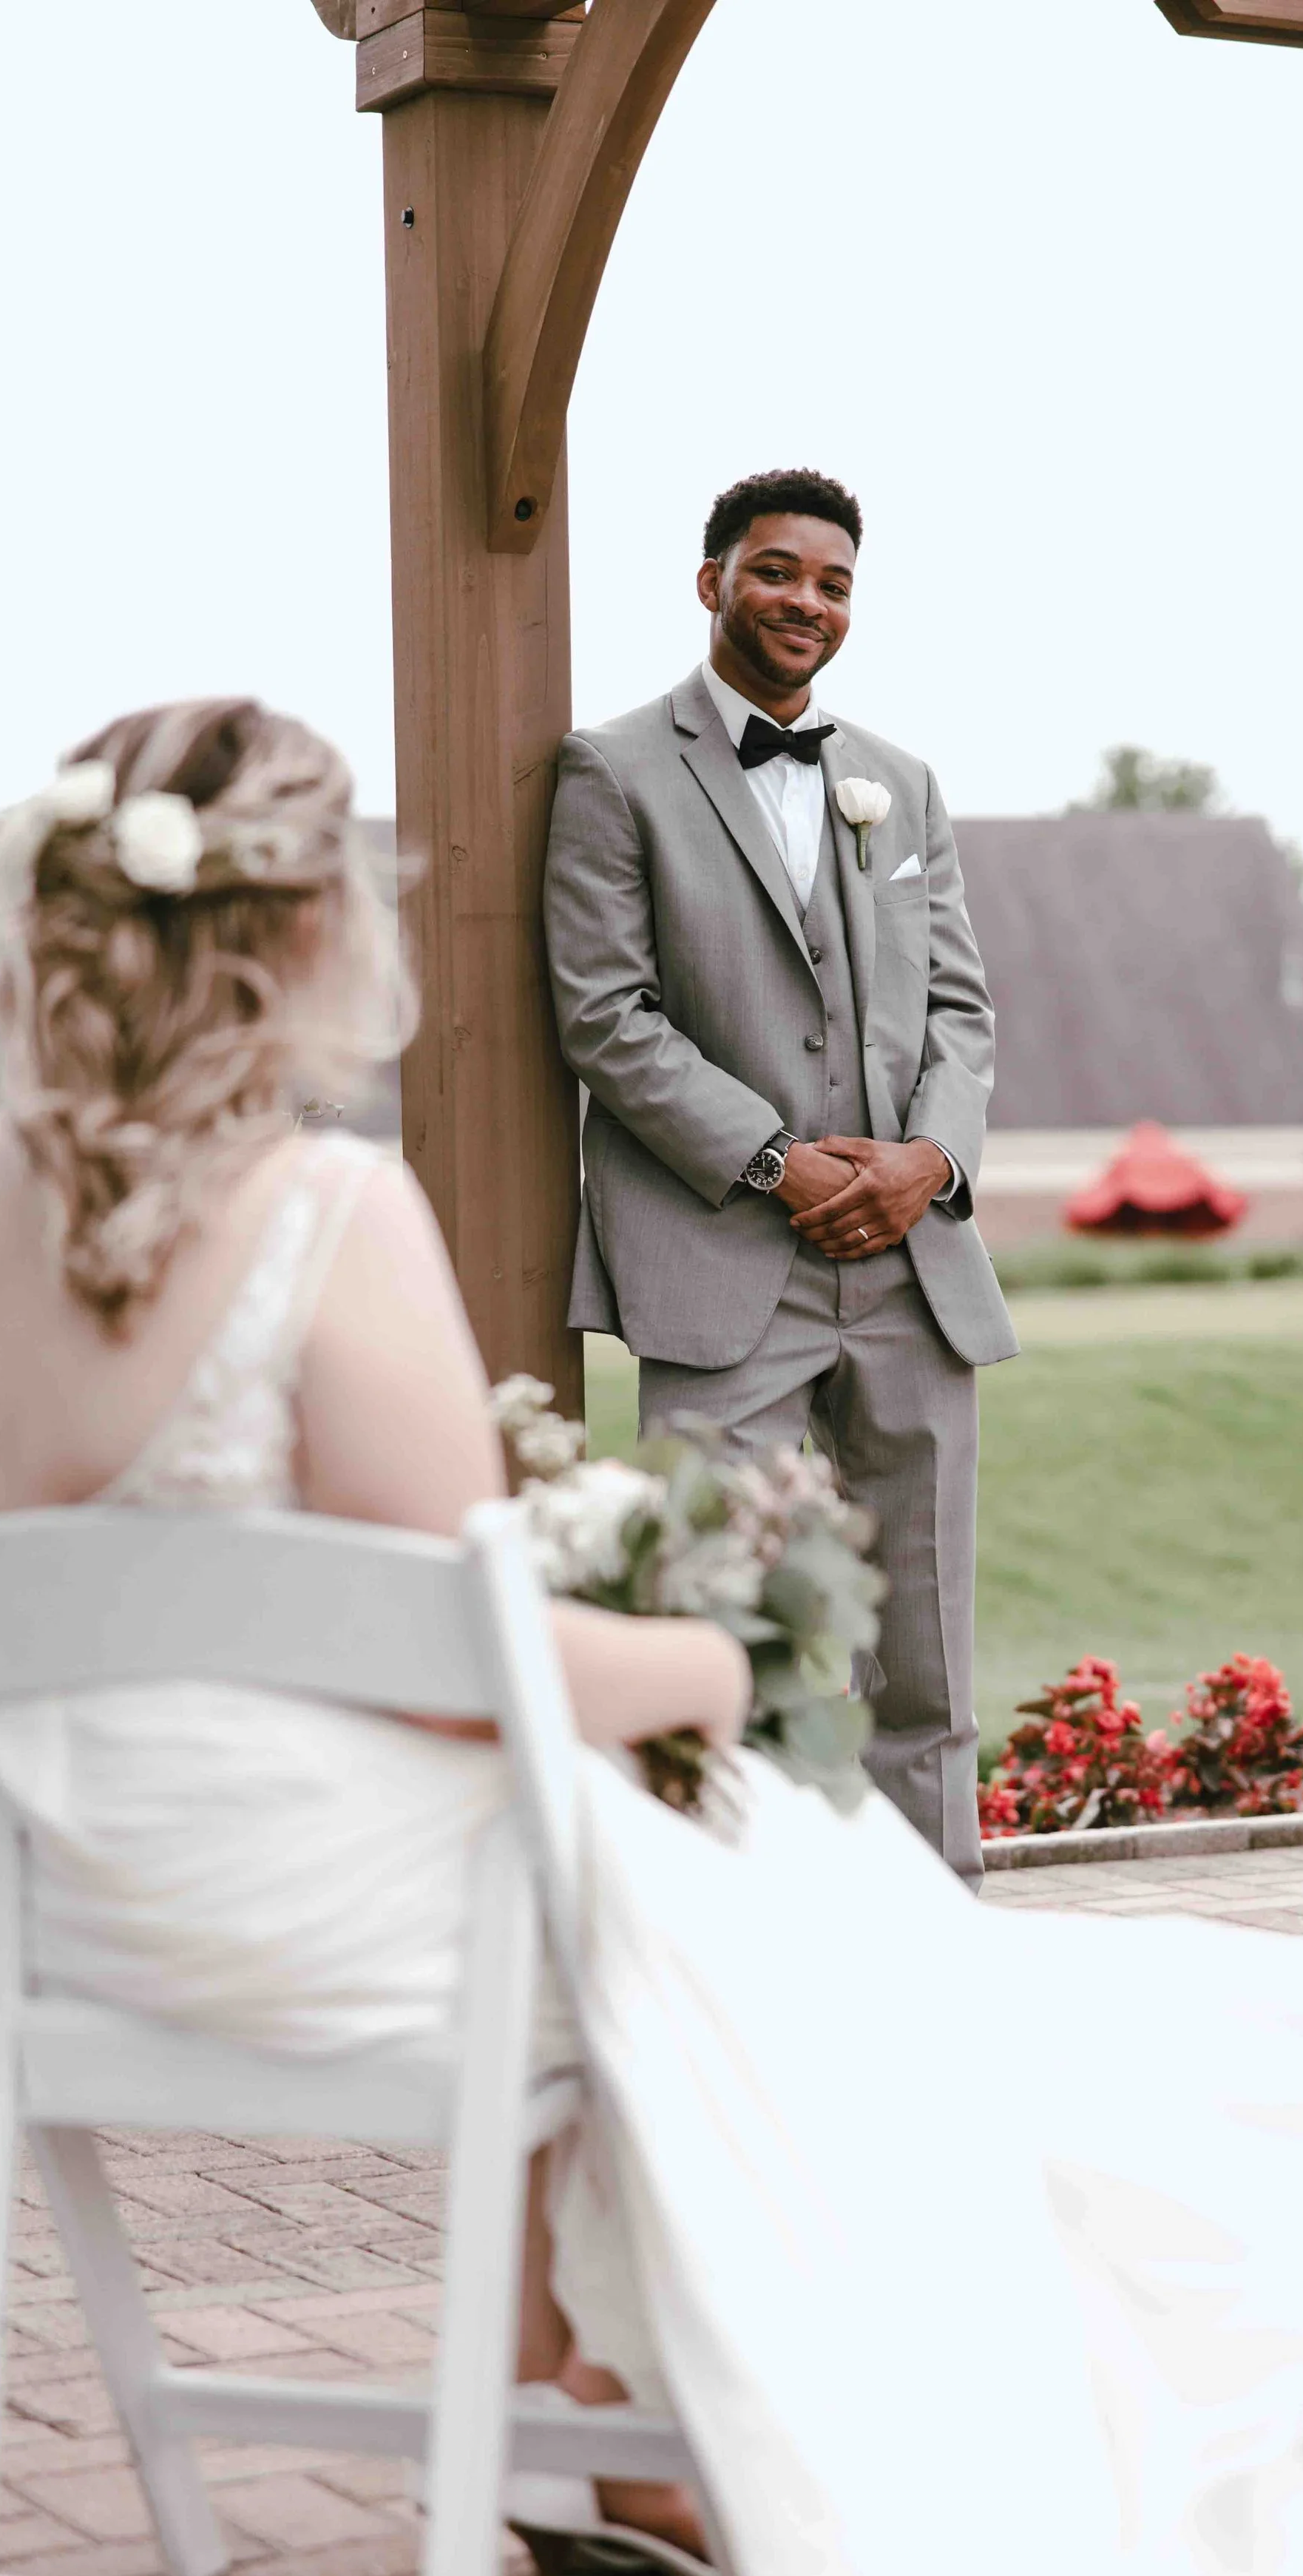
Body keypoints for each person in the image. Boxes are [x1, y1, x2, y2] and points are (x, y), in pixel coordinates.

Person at [0, 699, 1303, 2576]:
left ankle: (579, 2406)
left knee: (656, 1868)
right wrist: (706, 1667)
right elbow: (457, 1659)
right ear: (303, 929)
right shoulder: (321, 1220)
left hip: (96, 1919)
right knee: (758, 1848)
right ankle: (789, 2424)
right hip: (357, 1930)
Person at [544, 470, 1018, 1887]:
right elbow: (604, 1012)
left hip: (910, 1272)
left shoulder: (904, 782)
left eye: (832, 583)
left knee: (925, 1664)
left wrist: (931, 1159)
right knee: (713, 1643)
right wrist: (773, 1158)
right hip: (715, 1269)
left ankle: (938, 1951)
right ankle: (727, 1960)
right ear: (711, 584)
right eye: (776, 572)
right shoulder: (612, 770)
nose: (805, 601)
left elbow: (963, 1015)